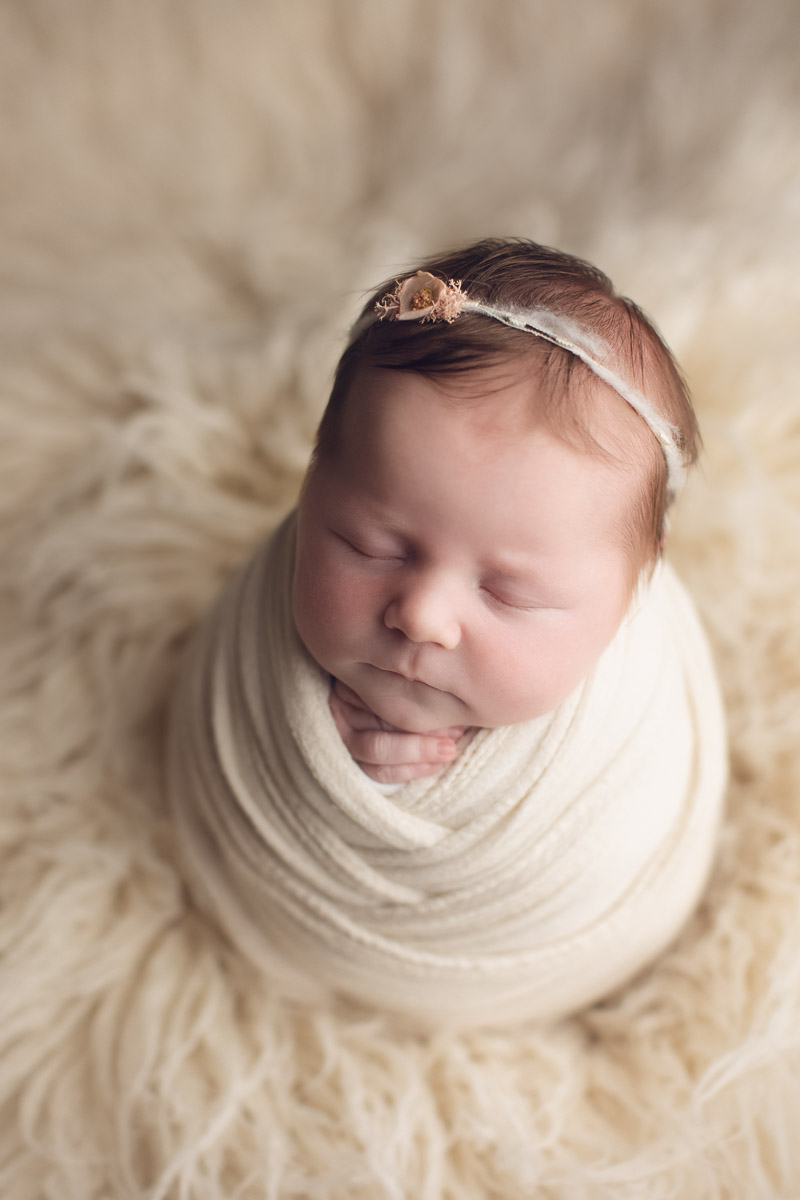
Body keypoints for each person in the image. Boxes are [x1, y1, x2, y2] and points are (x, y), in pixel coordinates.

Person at [168, 238, 727, 1026]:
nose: (422, 615)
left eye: (508, 592)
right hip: (297, 911)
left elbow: (626, 833)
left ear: (633, 587)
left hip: (525, 941)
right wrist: (333, 767)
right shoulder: (264, 627)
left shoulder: (632, 719)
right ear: (313, 482)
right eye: (370, 544)